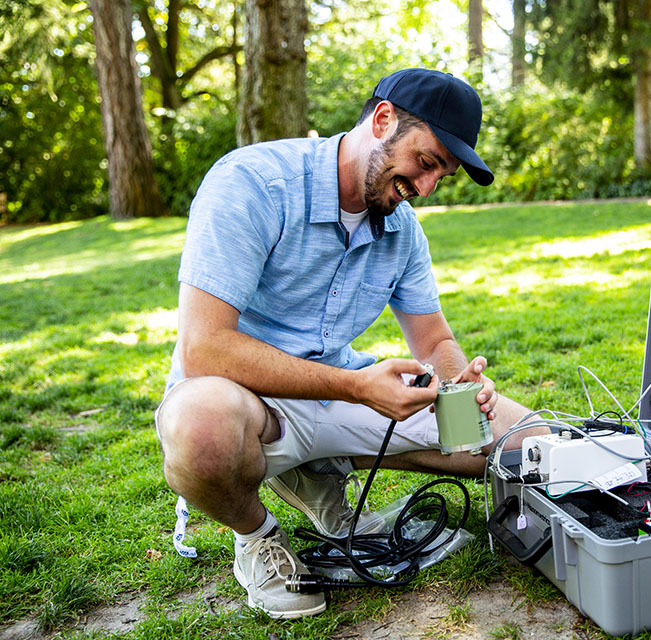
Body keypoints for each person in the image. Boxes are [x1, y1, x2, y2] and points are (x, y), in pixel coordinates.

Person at [155, 68, 540, 619]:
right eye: (427, 163)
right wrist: (356, 387)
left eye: (441, 176)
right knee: (200, 432)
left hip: (338, 395)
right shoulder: (250, 183)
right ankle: (259, 536)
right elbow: (205, 348)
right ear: (382, 120)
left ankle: (317, 473)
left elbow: (432, 338)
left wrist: (460, 381)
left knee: (527, 443)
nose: (426, 188)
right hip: (246, 402)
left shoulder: (402, 228)